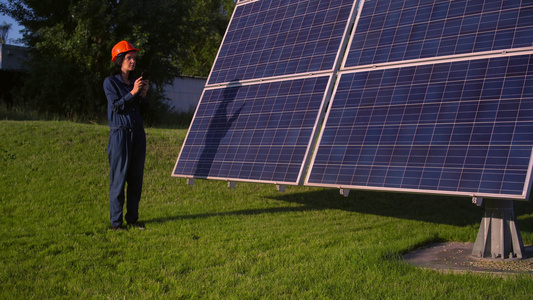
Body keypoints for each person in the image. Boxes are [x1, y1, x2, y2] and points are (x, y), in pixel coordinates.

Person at [103, 40, 149, 230]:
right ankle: (116, 223)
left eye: (134, 58)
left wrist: (143, 94)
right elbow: (116, 107)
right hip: (120, 136)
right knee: (119, 180)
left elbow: (144, 111)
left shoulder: (135, 84)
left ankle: (133, 219)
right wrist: (133, 92)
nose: (132, 61)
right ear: (119, 60)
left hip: (137, 135)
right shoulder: (110, 82)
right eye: (129, 58)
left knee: (136, 180)